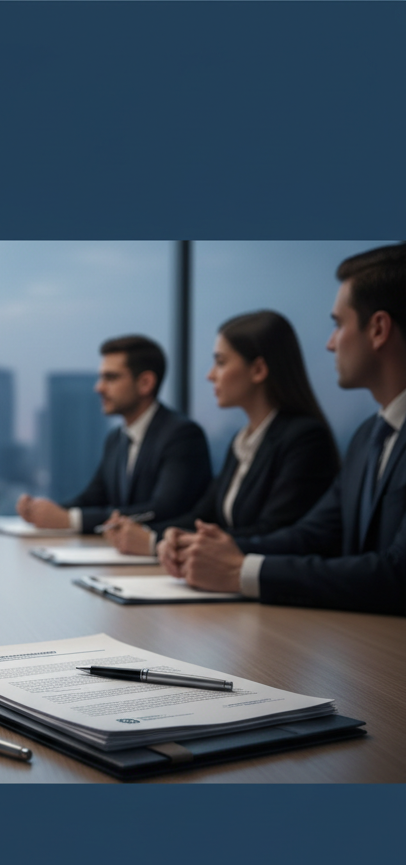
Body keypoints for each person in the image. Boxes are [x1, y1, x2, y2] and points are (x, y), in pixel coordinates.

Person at [159, 243, 406, 615]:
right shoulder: (367, 436)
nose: (329, 343)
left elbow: (397, 574)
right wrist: (200, 548)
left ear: (378, 329)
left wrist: (241, 570)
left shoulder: (308, 438)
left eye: (338, 325)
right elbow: (313, 534)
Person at [105, 311, 340, 555]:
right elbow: (204, 517)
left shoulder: (304, 439)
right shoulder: (243, 440)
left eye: (220, 362)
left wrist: (156, 542)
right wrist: (153, 534)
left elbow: (274, 532)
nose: (210, 375)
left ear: (258, 370)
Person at [16, 335, 212, 533]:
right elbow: (93, 498)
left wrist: (72, 520)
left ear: (145, 383)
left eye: (110, 378)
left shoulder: (182, 435)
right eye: (101, 378)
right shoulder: (116, 438)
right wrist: (44, 511)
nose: (99, 388)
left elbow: (163, 509)